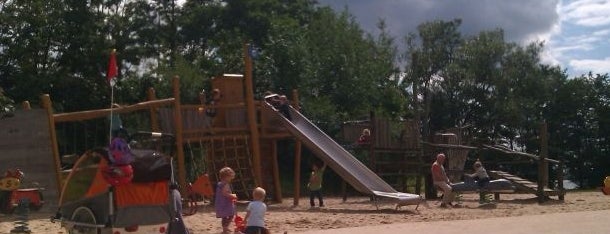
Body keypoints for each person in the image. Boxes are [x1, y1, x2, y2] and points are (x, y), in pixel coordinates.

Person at [215, 167, 237, 234]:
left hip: (220, 203)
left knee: (224, 216)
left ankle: (225, 228)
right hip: (225, 204)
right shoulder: (225, 184)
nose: (231, 179)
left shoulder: (219, 184)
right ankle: (226, 227)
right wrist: (233, 196)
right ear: (226, 177)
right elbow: (225, 193)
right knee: (231, 214)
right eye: (230, 177)